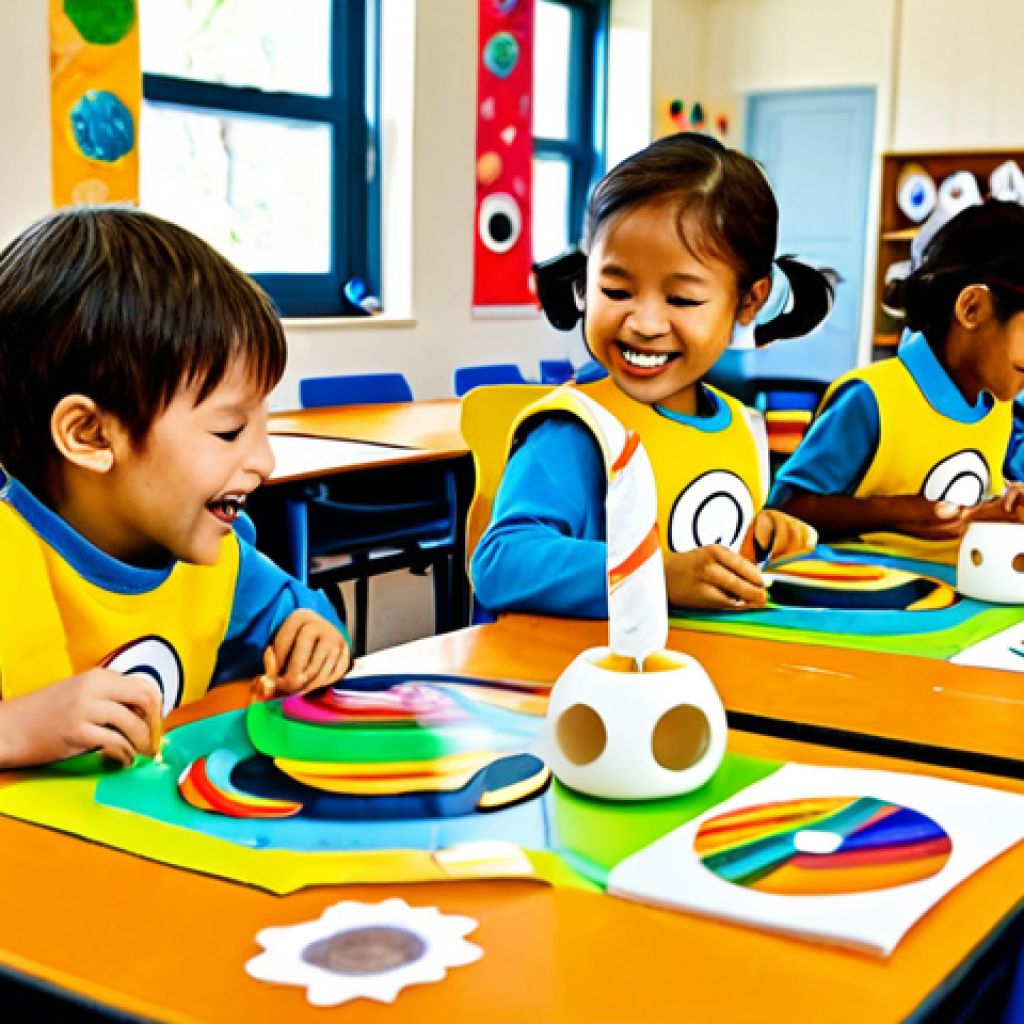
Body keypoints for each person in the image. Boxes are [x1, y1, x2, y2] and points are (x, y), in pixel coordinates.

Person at [0, 207, 351, 769]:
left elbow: (299, 615)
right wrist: (14, 729)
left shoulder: (213, 558)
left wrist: (315, 637)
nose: (264, 461)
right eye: (229, 431)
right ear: (90, 435)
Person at [472, 132, 833, 619]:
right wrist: (653, 574)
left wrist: (760, 536)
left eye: (682, 299)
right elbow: (501, 563)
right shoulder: (579, 430)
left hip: (699, 660)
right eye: (616, 291)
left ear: (749, 301)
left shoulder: (740, 429)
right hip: (576, 665)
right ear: (586, 283)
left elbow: (697, 551)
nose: (643, 323)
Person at [771, 200, 1024, 566]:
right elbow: (787, 509)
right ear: (972, 308)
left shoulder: (1001, 408)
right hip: (860, 596)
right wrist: (897, 510)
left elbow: (963, 516)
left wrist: (999, 509)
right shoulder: (872, 399)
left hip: (950, 597)